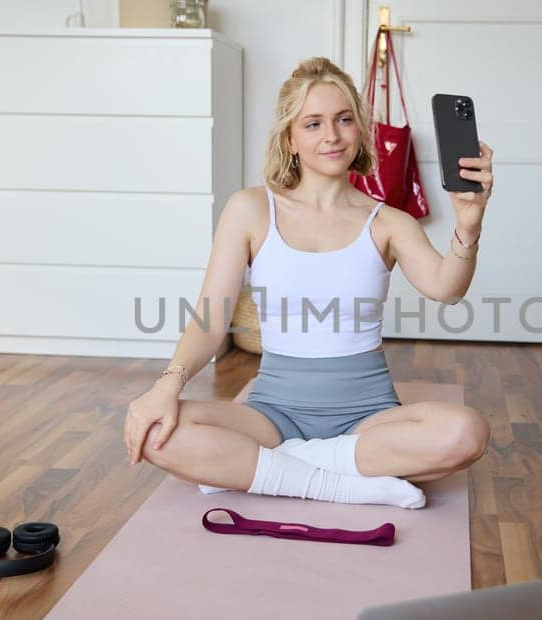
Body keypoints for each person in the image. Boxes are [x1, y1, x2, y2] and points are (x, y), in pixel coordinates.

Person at [123, 57, 494, 509]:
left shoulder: (388, 223)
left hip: (368, 417)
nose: (332, 136)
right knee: (160, 432)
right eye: (313, 123)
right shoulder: (251, 209)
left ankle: (273, 468)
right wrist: (166, 386)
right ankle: (339, 483)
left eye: (343, 120)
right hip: (271, 414)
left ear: (360, 128)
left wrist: (469, 226)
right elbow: (211, 317)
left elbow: (446, 288)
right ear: (290, 139)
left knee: (466, 432)